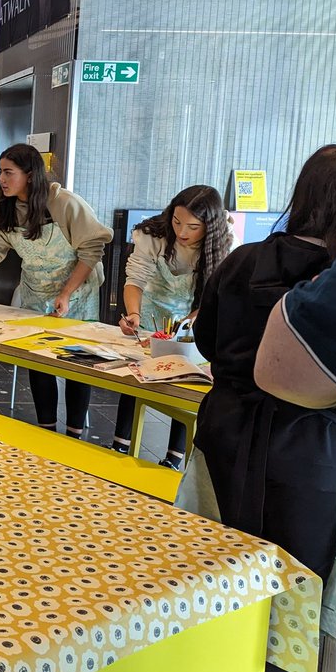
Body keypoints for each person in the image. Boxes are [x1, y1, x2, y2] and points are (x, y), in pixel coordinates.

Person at [203, 145, 336, 672]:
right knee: (298, 591)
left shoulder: (240, 261)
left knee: (210, 573)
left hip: (225, 435)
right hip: (313, 454)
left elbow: (207, 338)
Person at [0, 143, 111, 436]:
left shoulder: (64, 203)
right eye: (0, 172)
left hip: (77, 293)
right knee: (39, 359)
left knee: (79, 362)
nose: (2, 179)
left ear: (30, 174)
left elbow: (92, 250)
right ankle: (47, 431)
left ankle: (76, 435)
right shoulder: (3, 208)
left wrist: (66, 294)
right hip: (36, 291)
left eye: (8, 172)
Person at [110, 185, 232, 468]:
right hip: (151, 311)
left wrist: (193, 319)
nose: (182, 232)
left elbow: (217, 292)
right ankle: (120, 445)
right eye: (177, 222)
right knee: (136, 374)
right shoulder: (153, 235)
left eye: (192, 226)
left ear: (210, 226)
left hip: (193, 318)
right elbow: (136, 278)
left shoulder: (223, 242)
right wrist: (133, 314)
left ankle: (174, 456)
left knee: (184, 378)